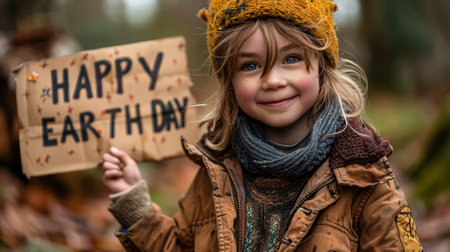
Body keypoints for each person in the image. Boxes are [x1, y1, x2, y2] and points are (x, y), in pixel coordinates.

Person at [102, 0, 423, 251]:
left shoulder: (364, 177)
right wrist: (134, 205)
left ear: (322, 64)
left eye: (291, 58)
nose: (272, 80)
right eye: (251, 65)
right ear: (230, 79)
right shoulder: (217, 168)